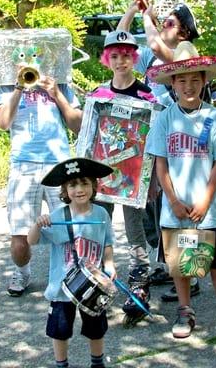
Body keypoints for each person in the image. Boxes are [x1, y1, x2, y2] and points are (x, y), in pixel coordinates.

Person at [145, 41, 216, 346]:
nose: (189, 85)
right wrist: (173, 200)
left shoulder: (215, 118)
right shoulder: (165, 118)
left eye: (196, 79)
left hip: (206, 208)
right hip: (175, 208)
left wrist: (206, 198)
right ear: (173, 84)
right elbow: (161, 163)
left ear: (204, 81)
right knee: (181, 263)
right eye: (182, 80)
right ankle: (185, 310)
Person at [117, 1, 202, 301]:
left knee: (183, 208)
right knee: (155, 209)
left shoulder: (181, 55)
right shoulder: (153, 61)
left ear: (184, 34)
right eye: (162, 21)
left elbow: (152, 42)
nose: (162, 26)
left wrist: (146, 17)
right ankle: (168, 265)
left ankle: (191, 275)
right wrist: (131, 12)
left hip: (181, 142)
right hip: (155, 140)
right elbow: (121, 44)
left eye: (170, 23)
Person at [0, 59, 82, 297]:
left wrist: (56, 94)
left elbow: (78, 125)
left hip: (58, 164)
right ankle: (22, 272)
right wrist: (19, 87)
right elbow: (2, 123)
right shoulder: (5, 89)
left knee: (69, 229)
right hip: (23, 166)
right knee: (20, 238)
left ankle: (72, 274)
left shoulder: (60, 84)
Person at [27, 157, 116, 368]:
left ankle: (97, 363)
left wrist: (110, 264)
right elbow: (31, 240)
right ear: (65, 190)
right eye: (73, 185)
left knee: (96, 327)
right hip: (62, 287)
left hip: (92, 284)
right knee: (60, 329)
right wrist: (38, 224)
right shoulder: (58, 216)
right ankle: (61, 364)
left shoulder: (102, 214)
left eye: (85, 183)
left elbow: (107, 243)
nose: (79, 189)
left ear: (94, 186)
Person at [92, 29, 155, 327]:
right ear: (107, 59)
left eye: (126, 56)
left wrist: (151, 178)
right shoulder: (98, 95)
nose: (120, 61)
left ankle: (140, 285)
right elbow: (87, 134)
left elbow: (153, 138)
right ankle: (97, 281)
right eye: (114, 56)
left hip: (133, 177)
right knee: (99, 227)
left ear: (134, 58)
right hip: (103, 176)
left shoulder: (147, 95)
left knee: (135, 231)